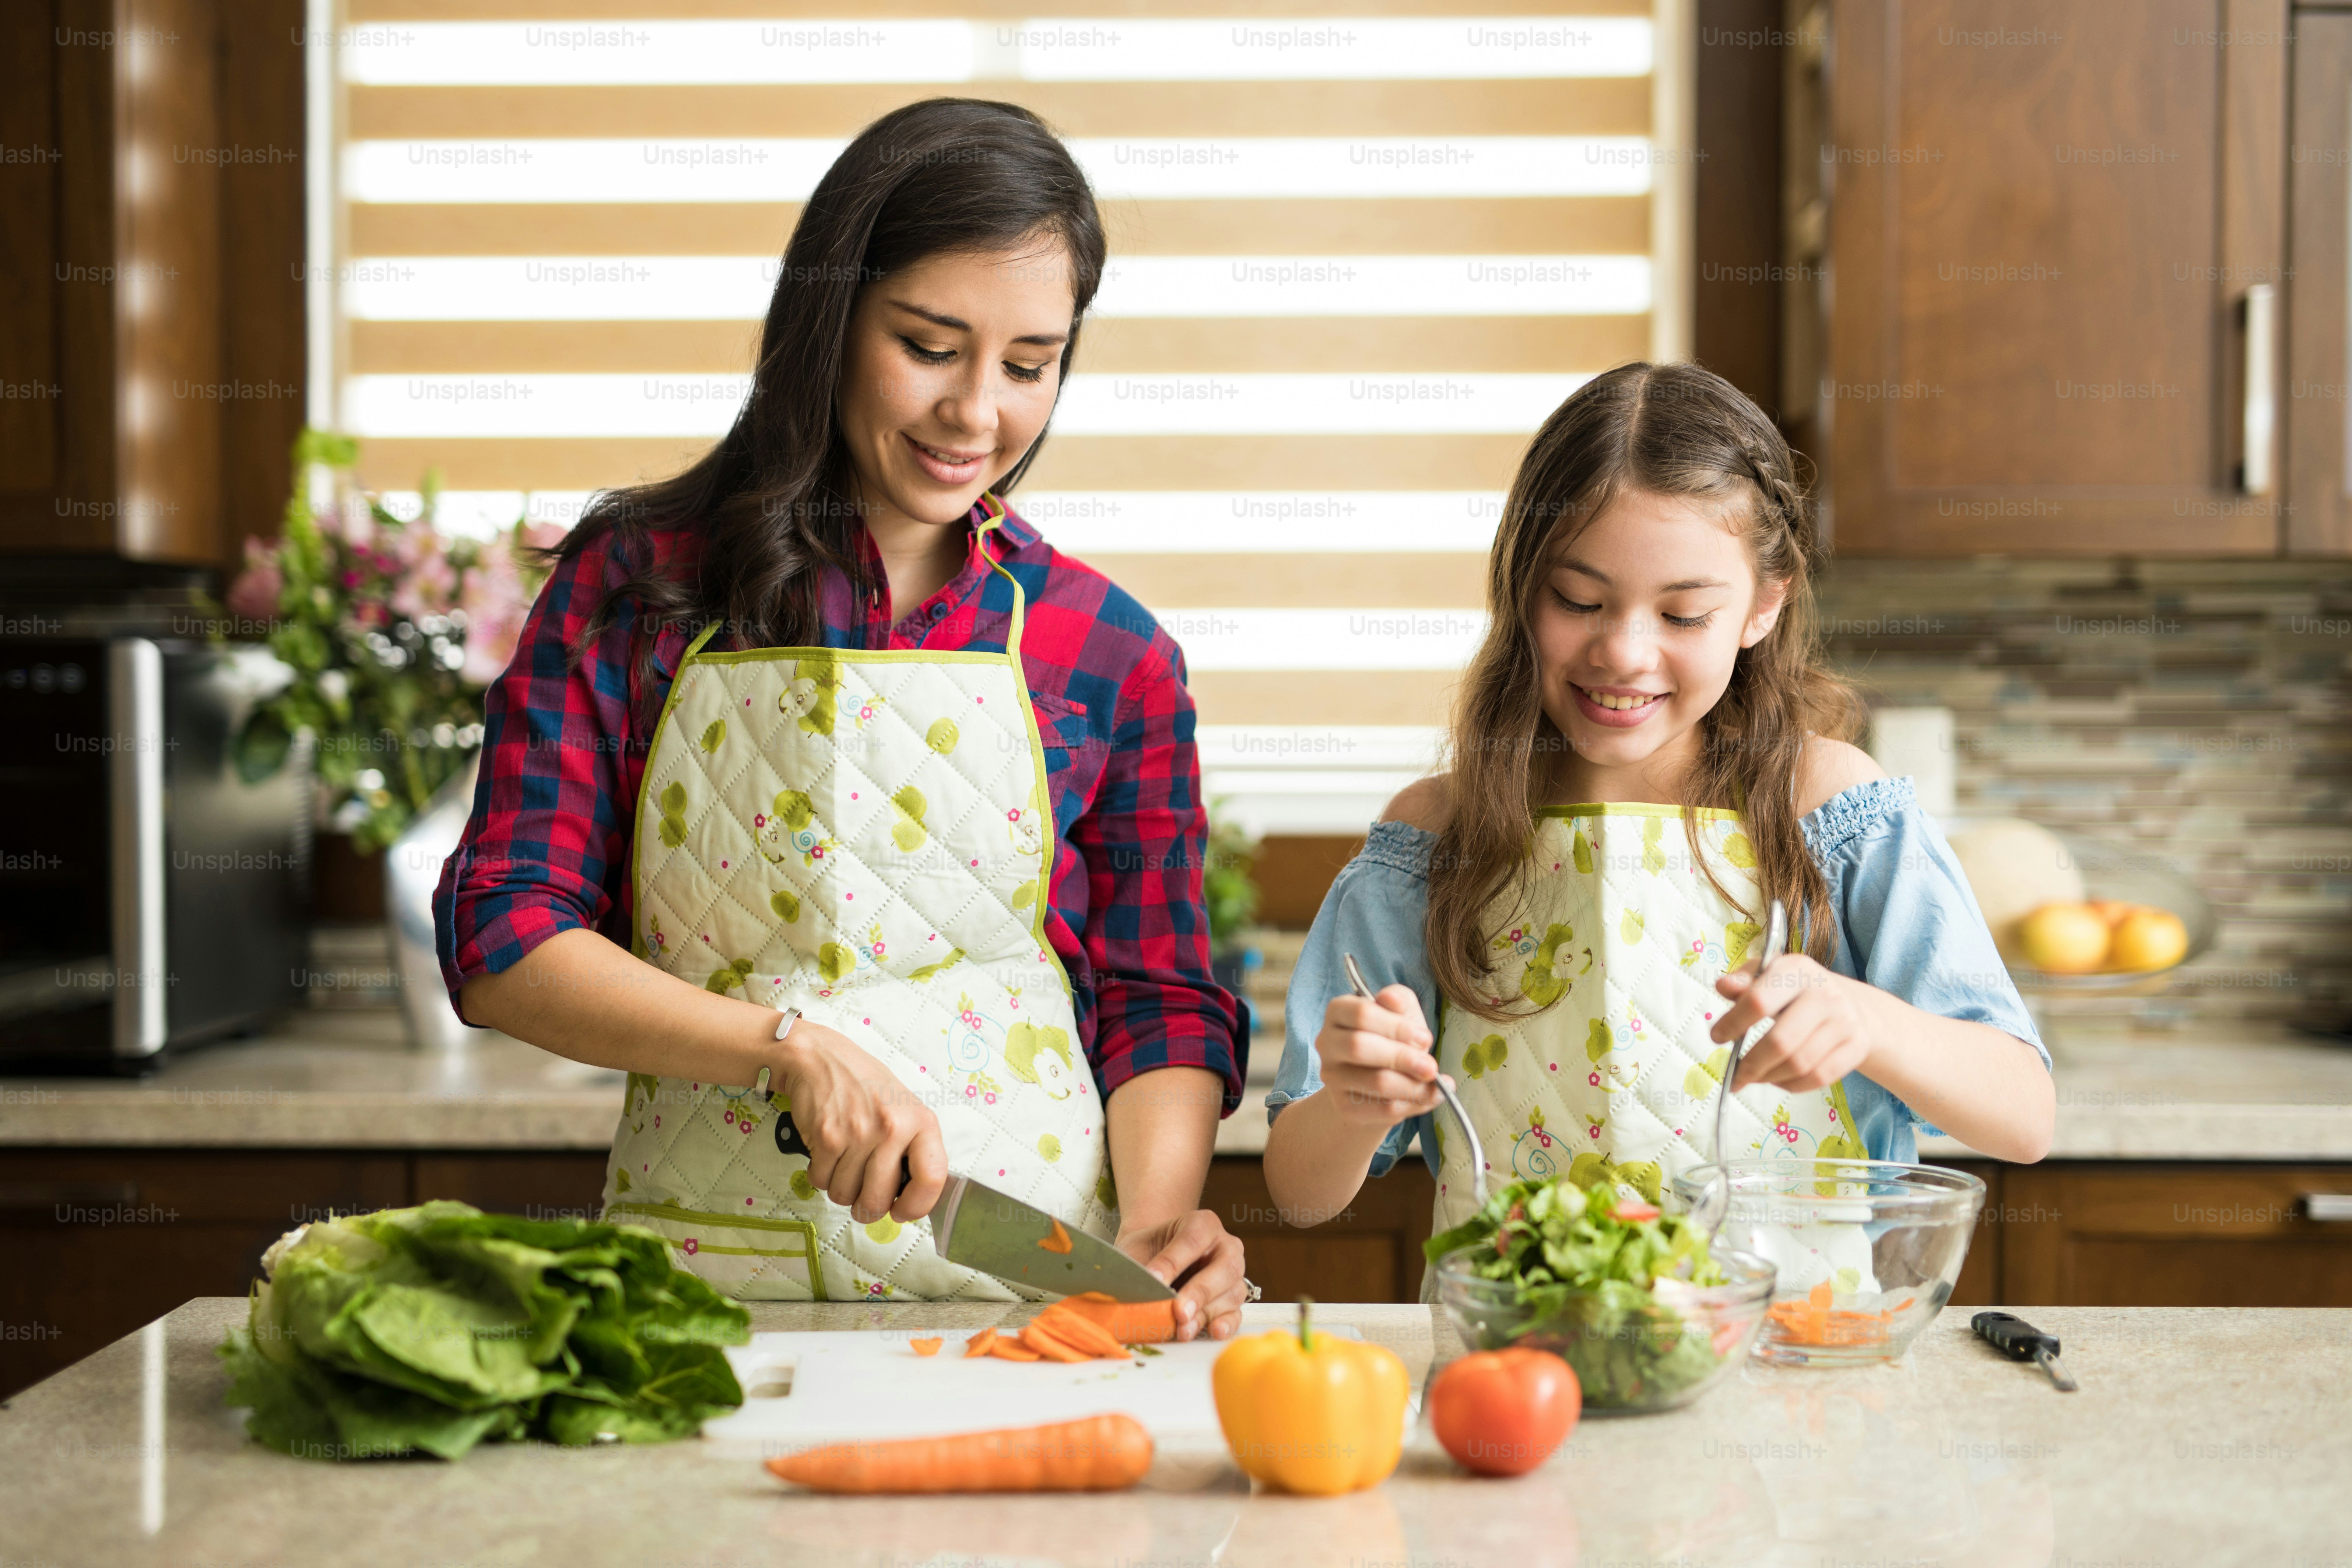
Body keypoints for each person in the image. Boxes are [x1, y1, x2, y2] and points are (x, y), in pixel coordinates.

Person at [437, 99, 1251, 1337]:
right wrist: (786, 1046)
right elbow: (502, 938)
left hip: (1029, 1297)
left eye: (1029, 365)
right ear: (829, 322)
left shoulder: (1109, 651)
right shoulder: (637, 587)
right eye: (929, 345)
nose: (978, 412)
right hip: (704, 1297)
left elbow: (1158, 995)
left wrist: (1152, 1226)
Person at [1263, 362, 2053, 1290]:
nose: (1624, 651)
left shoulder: (1831, 809)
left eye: (1683, 612)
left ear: (1764, 604)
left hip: (1795, 1363)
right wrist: (1357, 1105)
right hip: (1523, 1377)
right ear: (1522, 589)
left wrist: (1869, 1021)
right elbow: (1298, 1191)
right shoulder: (1436, 833)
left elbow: (2024, 1116)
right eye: (1579, 600)